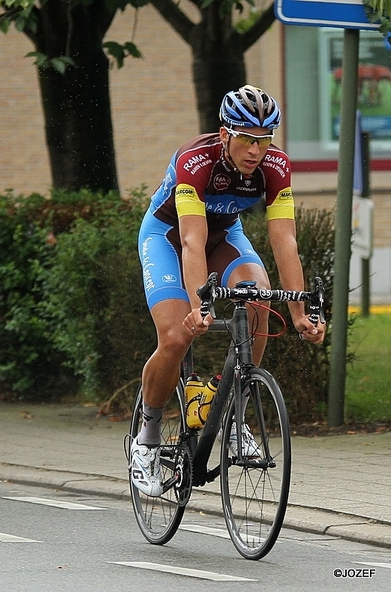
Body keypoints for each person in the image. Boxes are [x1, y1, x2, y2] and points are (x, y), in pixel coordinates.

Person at [130, 85, 326, 497]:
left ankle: (232, 413)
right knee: (176, 335)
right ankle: (146, 438)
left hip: (225, 236)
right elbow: (190, 242)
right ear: (225, 135)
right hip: (169, 237)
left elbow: (284, 240)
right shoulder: (194, 161)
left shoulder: (277, 167)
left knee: (258, 299)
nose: (256, 150)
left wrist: (298, 311)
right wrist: (200, 305)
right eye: (247, 139)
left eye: (264, 139)